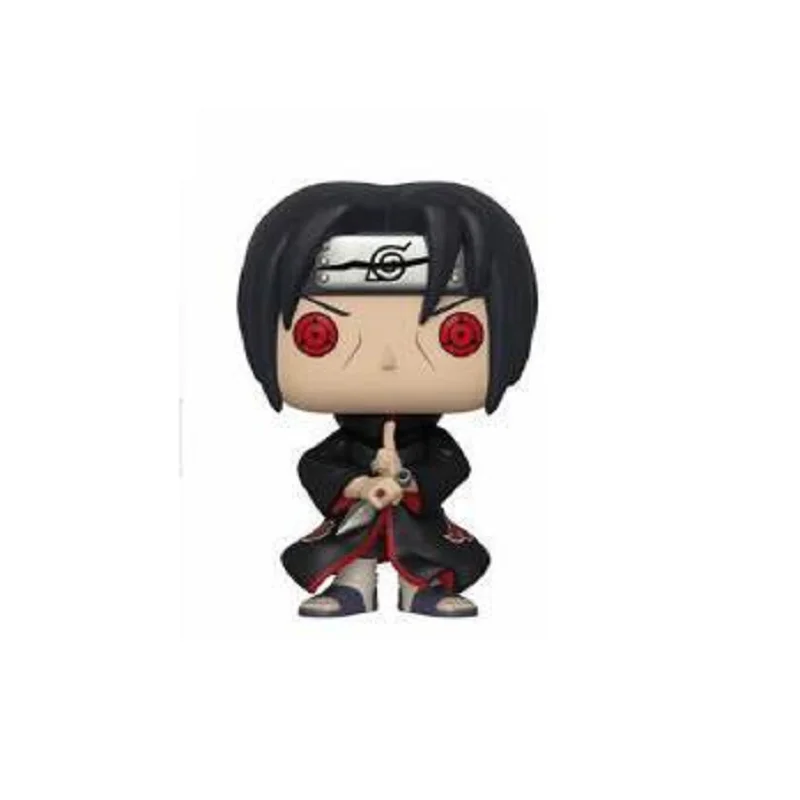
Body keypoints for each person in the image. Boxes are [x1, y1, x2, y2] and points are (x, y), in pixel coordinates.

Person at [238, 182, 537, 617]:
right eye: (320, 335)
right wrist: (360, 485)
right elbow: (315, 466)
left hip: (414, 512)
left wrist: (407, 482)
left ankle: (420, 588)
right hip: (359, 509)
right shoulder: (347, 444)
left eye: (456, 335)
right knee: (352, 543)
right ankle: (353, 586)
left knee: (422, 546)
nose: (388, 360)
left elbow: (451, 466)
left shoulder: (430, 443)